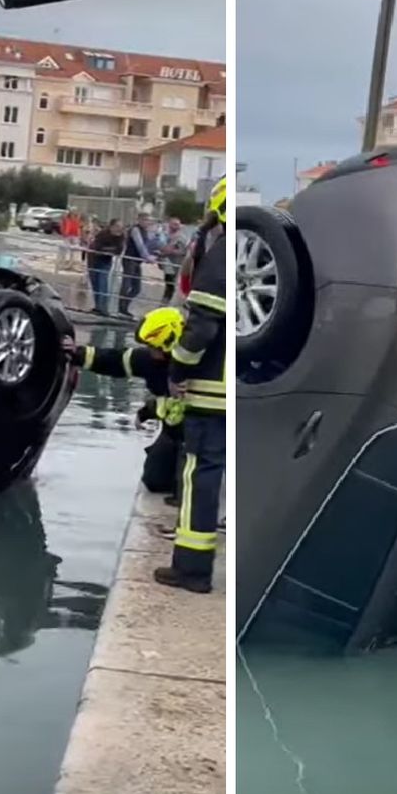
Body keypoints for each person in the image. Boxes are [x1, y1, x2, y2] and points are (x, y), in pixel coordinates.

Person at [153, 179, 227, 594]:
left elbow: (199, 327)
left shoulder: (219, 254)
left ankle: (192, 570)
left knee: (200, 479)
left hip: (211, 394)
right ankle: (194, 567)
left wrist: (178, 371)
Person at [62, 307, 188, 498]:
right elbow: (116, 360)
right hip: (173, 432)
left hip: (200, 432)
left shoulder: (199, 365)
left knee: (188, 481)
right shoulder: (150, 361)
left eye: (153, 346)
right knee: (155, 480)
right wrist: (77, 353)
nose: (150, 350)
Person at [118, 211, 156, 319]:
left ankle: (124, 307)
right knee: (127, 284)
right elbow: (140, 245)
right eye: (145, 220)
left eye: (148, 220)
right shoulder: (135, 229)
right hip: (130, 259)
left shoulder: (146, 231)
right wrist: (147, 257)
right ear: (139, 220)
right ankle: (121, 308)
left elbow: (149, 244)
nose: (147, 222)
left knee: (136, 288)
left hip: (136, 261)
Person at [86, 219, 123, 316]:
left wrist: (108, 250)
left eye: (121, 227)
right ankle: (98, 307)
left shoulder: (121, 236)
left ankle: (103, 309)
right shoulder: (103, 234)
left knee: (103, 284)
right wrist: (110, 250)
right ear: (111, 226)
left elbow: (119, 250)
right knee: (95, 285)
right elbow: (97, 248)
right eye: (117, 226)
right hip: (93, 260)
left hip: (105, 262)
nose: (119, 229)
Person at [157, 217, 189, 305]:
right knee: (169, 284)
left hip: (175, 264)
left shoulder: (180, 237)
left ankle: (165, 304)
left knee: (171, 285)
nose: (176, 226)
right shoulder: (166, 235)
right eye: (174, 224)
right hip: (169, 264)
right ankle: (164, 303)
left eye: (177, 224)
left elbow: (183, 251)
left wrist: (170, 251)